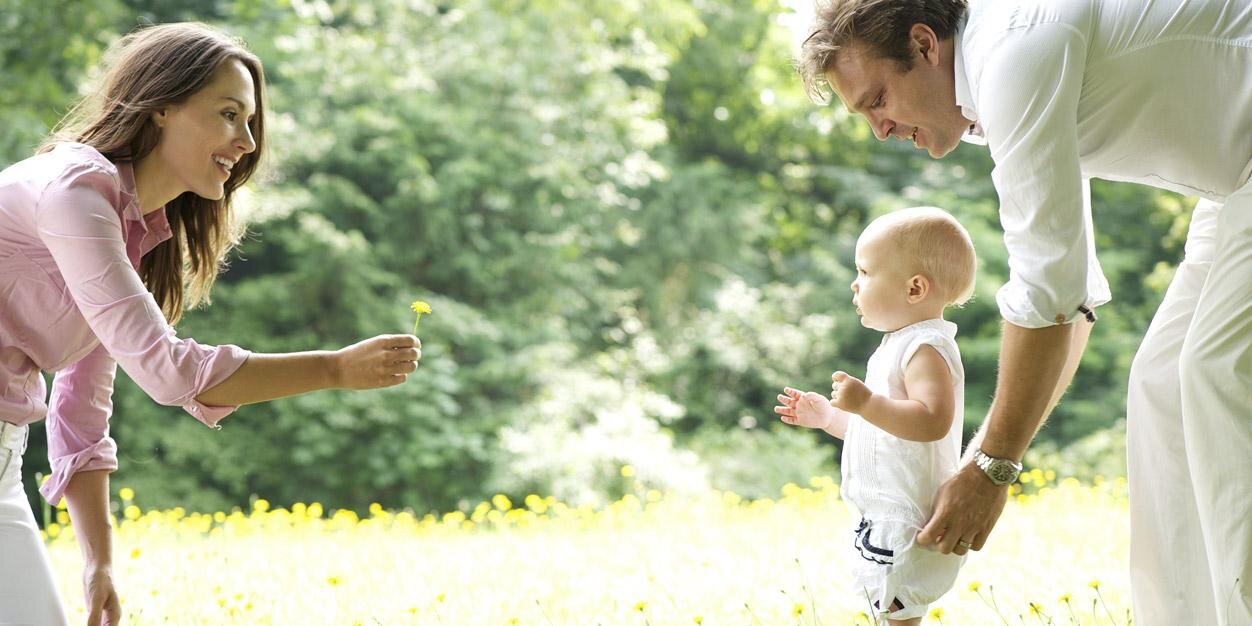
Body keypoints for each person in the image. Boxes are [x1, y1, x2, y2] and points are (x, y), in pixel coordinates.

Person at [796, 1, 1252, 624]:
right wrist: (985, 462)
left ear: (926, 46)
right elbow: (1073, 301)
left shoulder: (1013, 58)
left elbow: (1048, 292)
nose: (879, 128)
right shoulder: (990, 89)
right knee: (1160, 384)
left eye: (878, 99)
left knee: (1215, 371)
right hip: (1232, 185)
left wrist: (991, 469)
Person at [0, 22, 421, 626]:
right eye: (229, 114)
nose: (247, 142)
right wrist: (335, 368)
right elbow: (170, 373)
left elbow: (80, 409)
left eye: (250, 122)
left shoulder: (129, 235)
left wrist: (98, 564)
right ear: (163, 106)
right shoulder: (75, 193)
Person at [775, 207, 976, 625]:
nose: (854, 283)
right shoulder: (898, 345)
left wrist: (866, 402)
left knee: (897, 614)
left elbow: (931, 420)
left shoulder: (925, 348)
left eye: (865, 272)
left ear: (915, 288)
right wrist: (829, 418)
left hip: (908, 520)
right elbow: (884, 432)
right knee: (883, 611)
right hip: (882, 516)